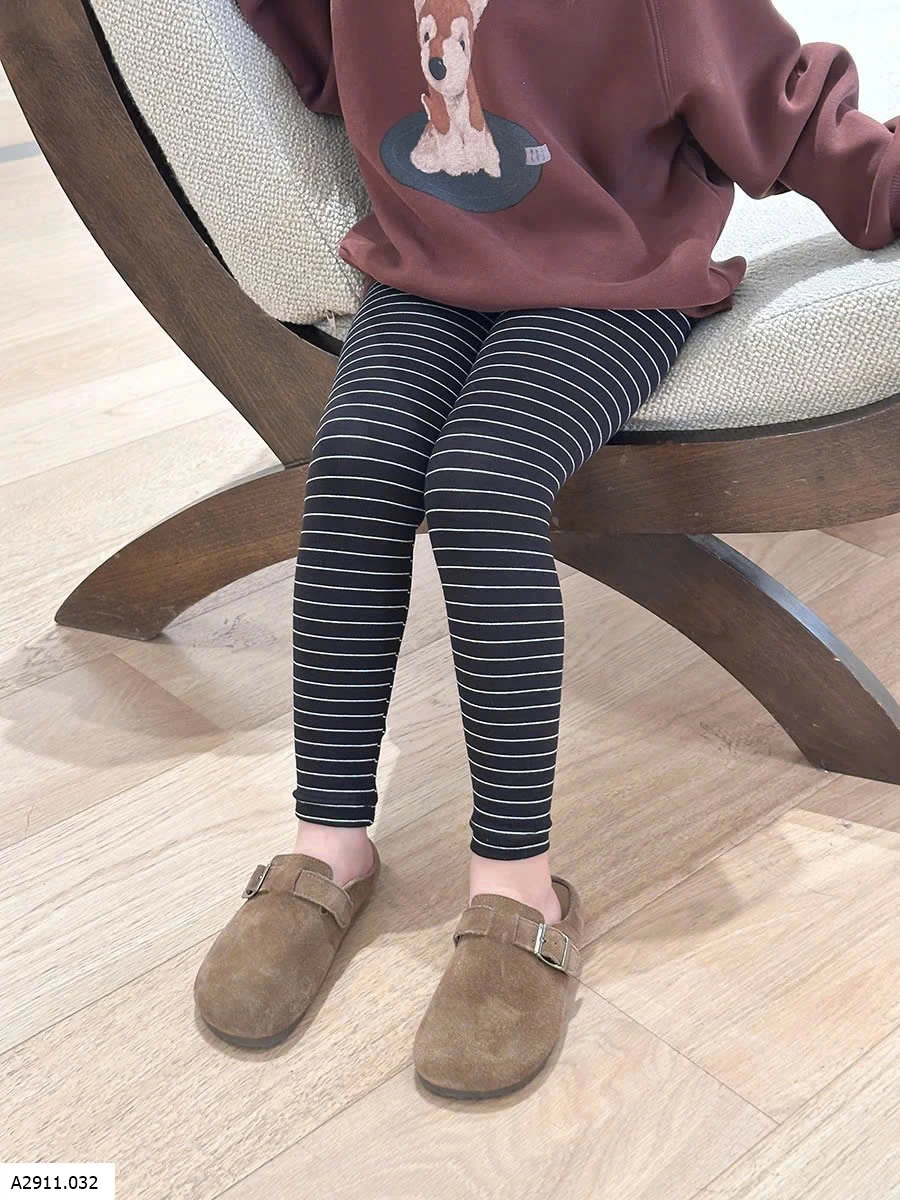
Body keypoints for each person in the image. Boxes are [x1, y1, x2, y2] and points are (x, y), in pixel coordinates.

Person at [193, 0, 900, 1099]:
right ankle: (325, 843)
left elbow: (789, 112)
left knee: (482, 486)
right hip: (425, 271)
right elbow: (319, 58)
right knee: (354, 469)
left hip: (607, 283)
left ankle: (516, 885)